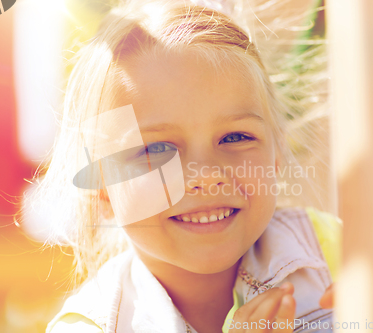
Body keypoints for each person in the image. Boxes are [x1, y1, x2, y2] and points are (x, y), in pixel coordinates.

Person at [21, 0, 341, 331]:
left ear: (276, 155)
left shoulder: (337, 253)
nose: (206, 175)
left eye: (234, 138)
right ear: (102, 190)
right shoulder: (93, 325)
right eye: (157, 149)